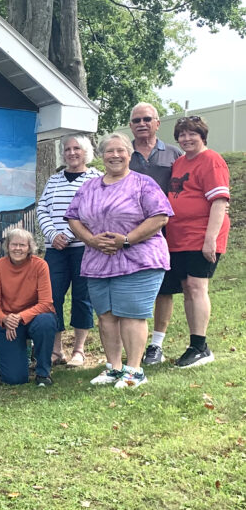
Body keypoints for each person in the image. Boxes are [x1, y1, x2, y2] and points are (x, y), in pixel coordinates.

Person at [66, 133, 173, 388]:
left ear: (129, 154)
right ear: (101, 156)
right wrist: (91, 240)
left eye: (120, 150)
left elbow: (160, 216)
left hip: (139, 259)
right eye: (109, 151)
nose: (115, 155)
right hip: (98, 261)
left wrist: (126, 240)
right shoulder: (89, 187)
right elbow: (73, 218)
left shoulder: (143, 183)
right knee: (106, 316)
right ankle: (113, 368)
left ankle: (134, 371)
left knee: (132, 315)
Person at [164, 116, 230, 368]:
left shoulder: (212, 160)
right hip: (179, 236)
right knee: (187, 288)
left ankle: (201, 347)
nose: (186, 138)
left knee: (196, 286)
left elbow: (219, 201)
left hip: (201, 234)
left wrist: (210, 239)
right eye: (182, 134)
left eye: (192, 133)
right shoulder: (180, 163)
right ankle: (195, 344)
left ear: (202, 136)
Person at [36, 135, 101, 367]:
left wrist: (70, 234)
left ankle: (79, 350)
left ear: (85, 152)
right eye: (67, 149)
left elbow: (95, 212)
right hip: (55, 249)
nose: (72, 153)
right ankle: (56, 349)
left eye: (77, 148)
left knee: (82, 297)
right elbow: (42, 209)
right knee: (52, 296)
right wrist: (53, 235)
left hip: (84, 248)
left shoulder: (96, 178)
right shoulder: (54, 180)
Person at [128, 102, 184, 366]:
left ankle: (156, 345)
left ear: (157, 123)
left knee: (165, 287)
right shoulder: (123, 152)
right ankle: (132, 344)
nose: (142, 124)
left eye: (147, 119)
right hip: (130, 232)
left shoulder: (174, 154)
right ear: (130, 126)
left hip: (166, 231)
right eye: (136, 120)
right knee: (130, 286)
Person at [0, 228, 56, 386]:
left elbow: (46, 303)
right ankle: (16, 361)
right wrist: (5, 319)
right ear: (7, 246)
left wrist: (19, 317)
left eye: (22, 245)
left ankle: (43, 373)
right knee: (14, 379)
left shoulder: (40, 265)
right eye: (14, 244)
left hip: (35, 319)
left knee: (46, 322)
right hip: (9, 323)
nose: (18, 249)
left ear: (29, 247)